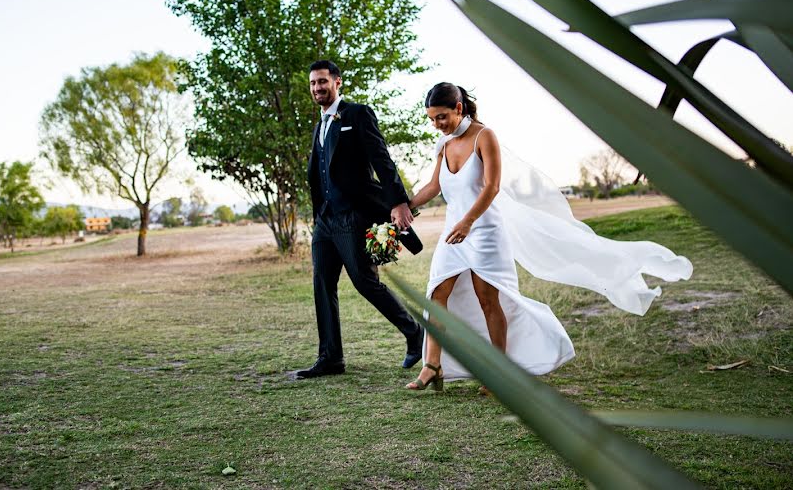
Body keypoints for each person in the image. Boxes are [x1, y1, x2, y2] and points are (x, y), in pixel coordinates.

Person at [405, 83, 692, 390]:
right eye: (432, 119)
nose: (437, 125)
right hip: (454, 236)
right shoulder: (443, 145)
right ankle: (432, 366)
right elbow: (433, 187)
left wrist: (468, 222)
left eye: (441, 117)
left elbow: (492, 186)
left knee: (488, 301)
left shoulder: (484, 136)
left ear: (458, 108)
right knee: (437, 296)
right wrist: (403, 207)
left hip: (485, 232)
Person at [295, 60, 424, 379]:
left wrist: (397, 201)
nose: (317, 88)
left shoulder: (357, 114)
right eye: (312, 83)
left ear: (338, 82)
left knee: (366, 283)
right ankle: (330, 358)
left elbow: (382, 158)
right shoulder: (320, 124)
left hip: (354, 215)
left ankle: (415, 334)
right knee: (322, 284)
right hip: (325, 220)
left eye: (322, 81)